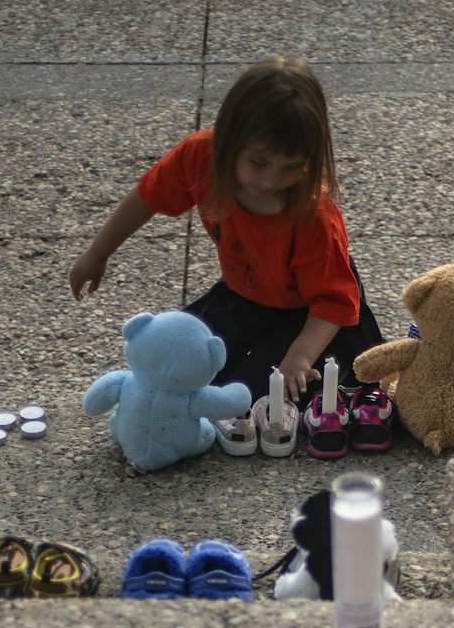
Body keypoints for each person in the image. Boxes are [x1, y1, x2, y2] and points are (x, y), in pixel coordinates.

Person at [69, 56, 384, 414]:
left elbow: (335, 304)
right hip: (245, 294)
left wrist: (298, 357)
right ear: (231, 141)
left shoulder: (313, 214)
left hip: (312, 318)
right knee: (177, 361)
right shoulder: (201, 156)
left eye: (291, 168)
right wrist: (98, 253)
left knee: (248, 397)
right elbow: (148, 196)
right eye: (258, 162)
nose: (269, 181)